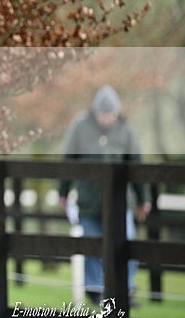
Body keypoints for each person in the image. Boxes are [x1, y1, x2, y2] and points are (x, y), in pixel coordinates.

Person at [58, 85, 151, 305]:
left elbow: (136, 164)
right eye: (103, 114)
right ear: (95, 112)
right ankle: (95, 289)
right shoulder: (79, 127)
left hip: (120, 202)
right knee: (92, 246)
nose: (106, 119)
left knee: (126, 242)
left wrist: (143, 199)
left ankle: (126, 290)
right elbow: (68, 160)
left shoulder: (126, 129)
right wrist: (63, 192)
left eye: (110, 114)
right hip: (89, 202)